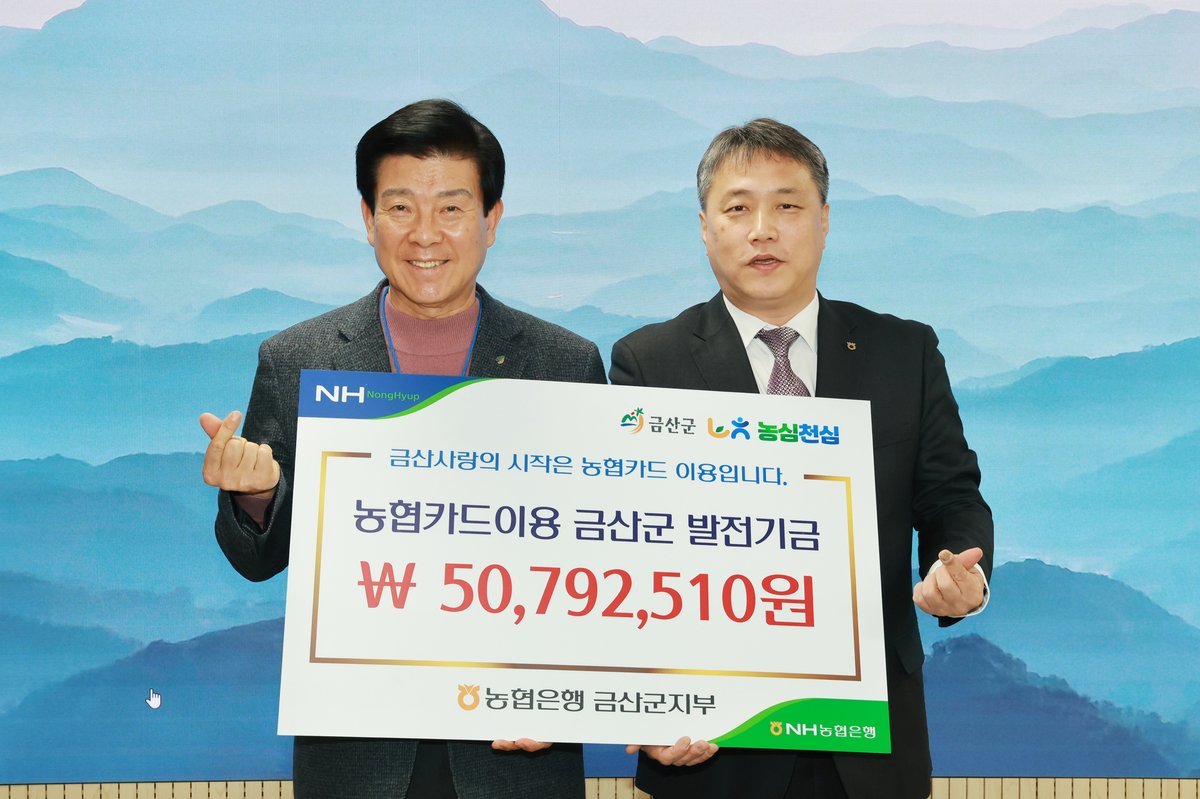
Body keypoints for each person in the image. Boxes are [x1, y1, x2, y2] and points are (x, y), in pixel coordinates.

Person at [199, 99, 601, 799]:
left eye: (452, 208)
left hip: (516, 755)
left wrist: (568, 690)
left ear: (492, 220)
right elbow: (258, 559)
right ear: (368, 218)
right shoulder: (299, 359)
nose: (425, 234)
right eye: (400, 208)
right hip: (358, 758)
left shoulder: (564, 363)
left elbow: (603, 558)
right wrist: (256, 496)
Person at [610, 119, 993, 799]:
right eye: (738, 208)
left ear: (824, 221)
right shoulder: (650, 361)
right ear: (705, 228)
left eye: (787, 205)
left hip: (870, 733)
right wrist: (647, 697)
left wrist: (959, 572)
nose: (763, 230)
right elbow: (628, 540)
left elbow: (950, 495)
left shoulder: (903, 351)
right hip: (716, 739)